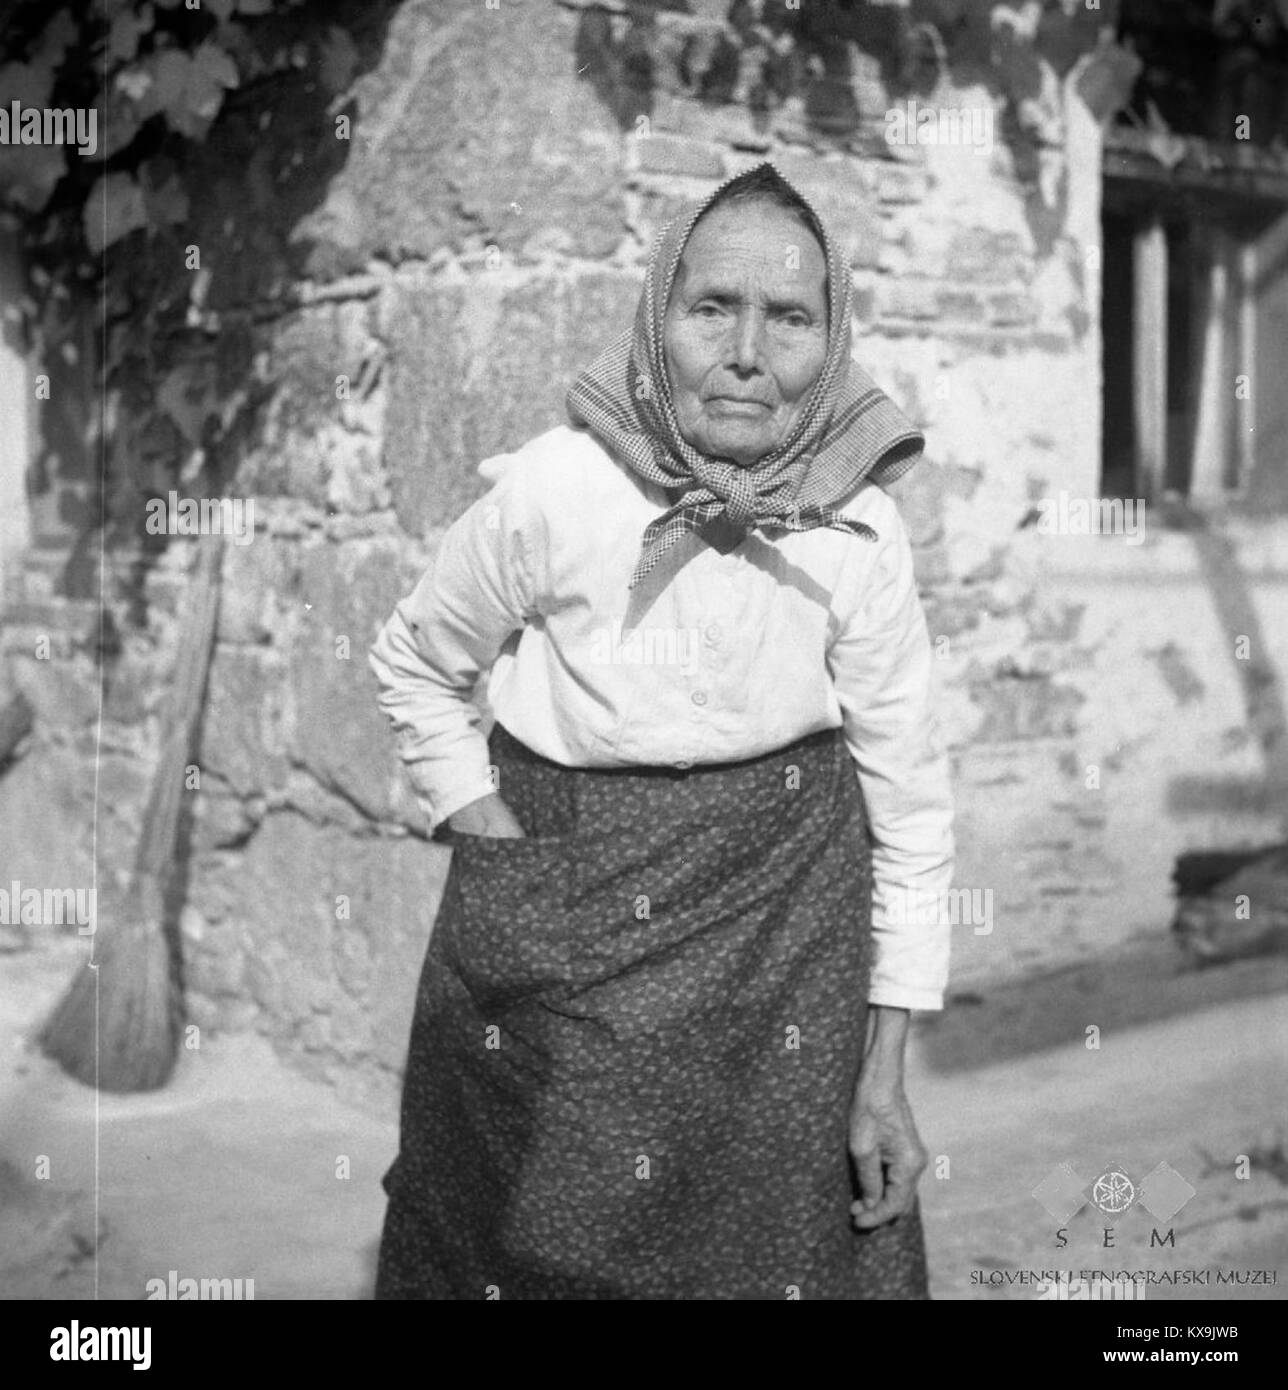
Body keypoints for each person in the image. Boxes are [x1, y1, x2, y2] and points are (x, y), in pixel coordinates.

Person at [368, 161, 955, 1300]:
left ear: (830, 343)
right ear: (656, 317)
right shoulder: (556, 490)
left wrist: (884, 1066)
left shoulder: (859, 526)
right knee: (540, 1235)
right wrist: (491, 832)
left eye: (789, 318)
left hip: (789, 935)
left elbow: (911, 800)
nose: (747, 352)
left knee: (783, 1245)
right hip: (568, 910)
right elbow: (415, 662)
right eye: (711, 310)